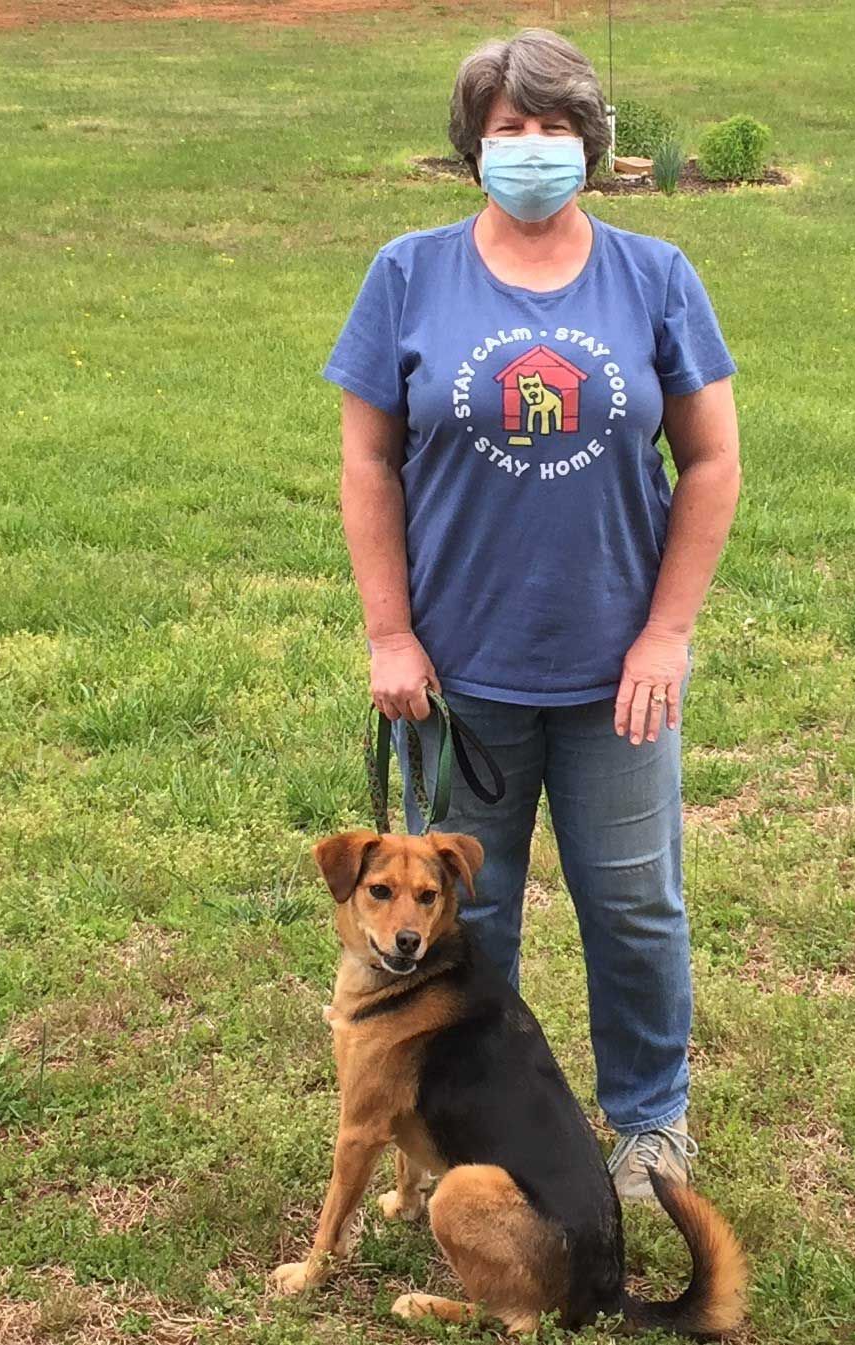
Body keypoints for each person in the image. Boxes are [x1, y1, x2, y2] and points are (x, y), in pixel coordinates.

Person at [319, 27, 741, 1202]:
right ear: (473, 147)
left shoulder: (655, 278)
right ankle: (466, 1130)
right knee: (456, 925)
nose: (533, 148)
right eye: (508, 128)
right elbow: (367, 462)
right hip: (457, 677)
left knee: (636, 910)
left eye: (554, 127)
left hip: (620, 675)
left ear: (592, 145)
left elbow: (710, 463)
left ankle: (650, 1124)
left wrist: (664, 632)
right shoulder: (408, 273)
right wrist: (390, 632)